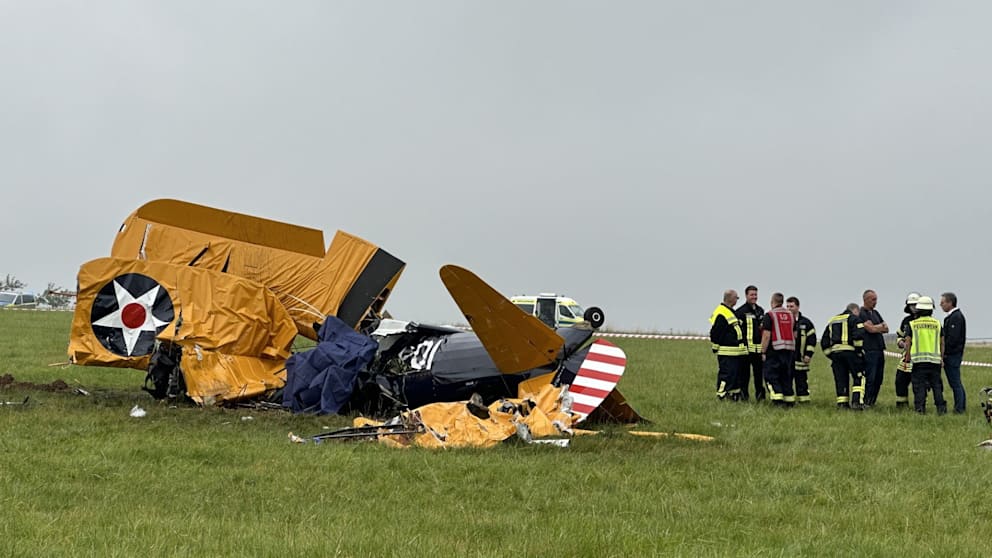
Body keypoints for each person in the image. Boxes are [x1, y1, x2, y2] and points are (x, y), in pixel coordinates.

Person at [903, 296, 946, 414]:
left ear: (919, 309)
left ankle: (920, 409)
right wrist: (941, 358)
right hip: (935, 361)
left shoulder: (912, 324)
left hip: (918, 361)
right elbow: (942, 342)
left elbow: (908, 342)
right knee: (937, 386)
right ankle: (941, 410)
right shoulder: (937, 324)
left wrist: (907, 356)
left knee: (919, 387)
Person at [821, 303, 866, 409]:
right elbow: (858, 336)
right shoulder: (854, 319)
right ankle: (856, 402)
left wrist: (831, 355)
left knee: (841, 379)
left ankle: (842, 404)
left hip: (836, 354)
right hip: (851, 352)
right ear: (855, 310)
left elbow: (824, 342)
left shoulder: (833, 320)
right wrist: (859, 352)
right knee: (859, 377)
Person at [709, 289, 747, 401]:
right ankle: (722, 394)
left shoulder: (730, 311)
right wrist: (715, 346)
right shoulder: (722, 312)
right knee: (727, 375)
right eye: (736, 297)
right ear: (730, 298)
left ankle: (733, 395)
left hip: (735, 351)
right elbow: (716, 332)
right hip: (727, 351)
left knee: (735, 376)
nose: (737, 300)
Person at [760, 292, 796, 407]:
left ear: (772, 302)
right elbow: (795, 334)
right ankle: (789, 400)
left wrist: (762, 351)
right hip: (789, 351)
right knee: (786, 376)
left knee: (771, 376)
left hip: (774, 350)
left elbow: (766, 335)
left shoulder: (770, 315)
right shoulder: (791, 315)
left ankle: (777, 400)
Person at [735, 285, 765, 402]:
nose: (754, 297)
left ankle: (760, 397)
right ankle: (744, 397)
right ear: (746, 295)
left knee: (759, 375)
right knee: (744, 376)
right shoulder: (740, 312)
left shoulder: (760, 310)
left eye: (755, 294)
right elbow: (739, 331)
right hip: (746, 350)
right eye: (752, 295)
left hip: (758, 350)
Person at [860, 289, 889, 407]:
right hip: (869, 350)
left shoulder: (876, 313)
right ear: (865, 300)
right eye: (873, 299)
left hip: (879, 349)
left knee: (879, 378)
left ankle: (872, 402)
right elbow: (869, 329)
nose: (875, 302)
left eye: (876, 299)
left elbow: (886, 328)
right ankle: (866, 401)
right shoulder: (862, 313)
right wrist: (878, 328)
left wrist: (876, 327)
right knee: (870, 378)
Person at [786, 296, 816, 403]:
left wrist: (808, 354)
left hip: (801, 358)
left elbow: (812, 340)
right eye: (787, 306)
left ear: (798, 307)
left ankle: (804, 401)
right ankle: (789, 402)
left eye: (792, 306)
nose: (789, 308)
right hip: (787, 358)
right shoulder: (784, 321)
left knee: (801, 381)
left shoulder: (806, 323)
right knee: (787, 380)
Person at [940, 292, 966, 414]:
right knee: (956, 382)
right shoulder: (952, 317)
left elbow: (953, 338)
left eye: (943, 302)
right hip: (952, 354)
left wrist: (945, 352)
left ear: (950, 303)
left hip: (952, 355)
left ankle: (959, 408)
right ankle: (961, 406)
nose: (941, 304)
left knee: (955, 383)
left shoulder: (956, 317)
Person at [894, 292, 920, 409]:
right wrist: (900, 342)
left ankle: (919, 407)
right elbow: (900, 336)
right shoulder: (906, 320)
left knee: (918, 385)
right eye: (911, 305)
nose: (913, 307)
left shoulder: (926, 320)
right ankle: (901, 406)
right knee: (900, 382)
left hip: (919, 358)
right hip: (906, 359)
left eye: (915, 304)